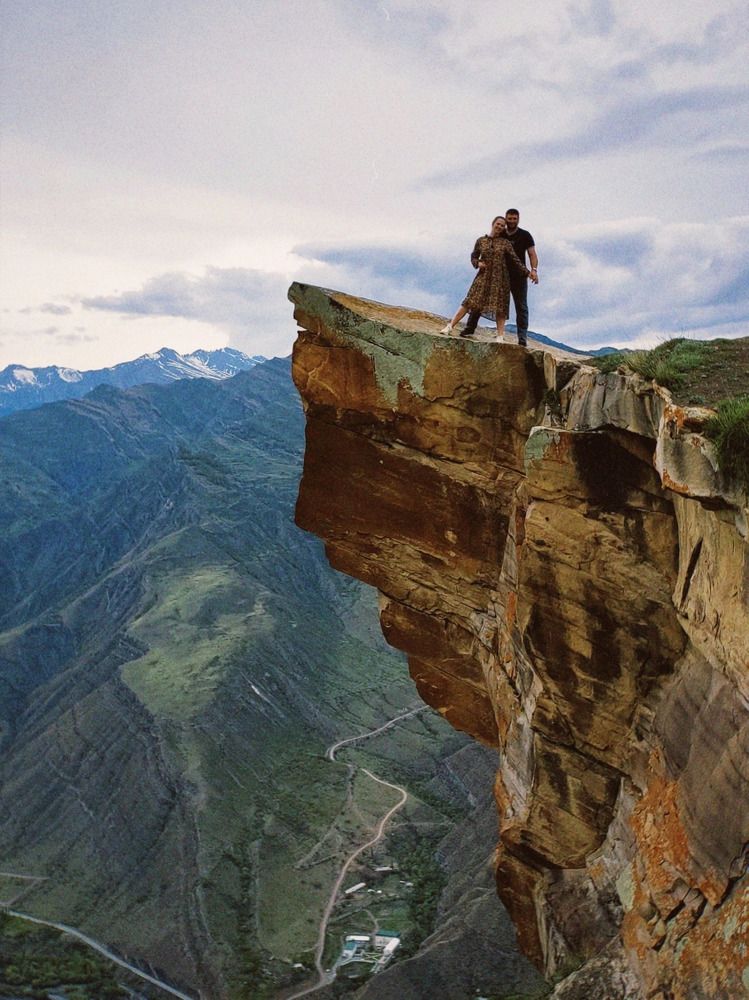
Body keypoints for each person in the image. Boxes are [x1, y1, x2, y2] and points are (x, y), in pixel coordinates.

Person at [440, 216, 536, 342]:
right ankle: (450, 326)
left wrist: (529, 272)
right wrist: (477, 263)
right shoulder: (481, 241)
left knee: (501, 307)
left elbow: (515, 260)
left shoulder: (505, 243)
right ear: (493, 224)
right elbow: (474, 256)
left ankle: (500, 337)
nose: (500, 227)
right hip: (483, 277)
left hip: (500, 279)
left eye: (502, 225)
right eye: (498, 224)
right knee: (470, 301)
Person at [501, 208, 538, 347]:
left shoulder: (525, 235)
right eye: (509, 218)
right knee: (497, 303)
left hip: (519, 276)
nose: (512, 221)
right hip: (502, 274)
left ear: (518, 219)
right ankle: (472, 327)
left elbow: (532, 254)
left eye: (514, 219)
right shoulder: (500, 233)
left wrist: (534, 270)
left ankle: (522, 337)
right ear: (506, 219)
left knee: (521, 306)